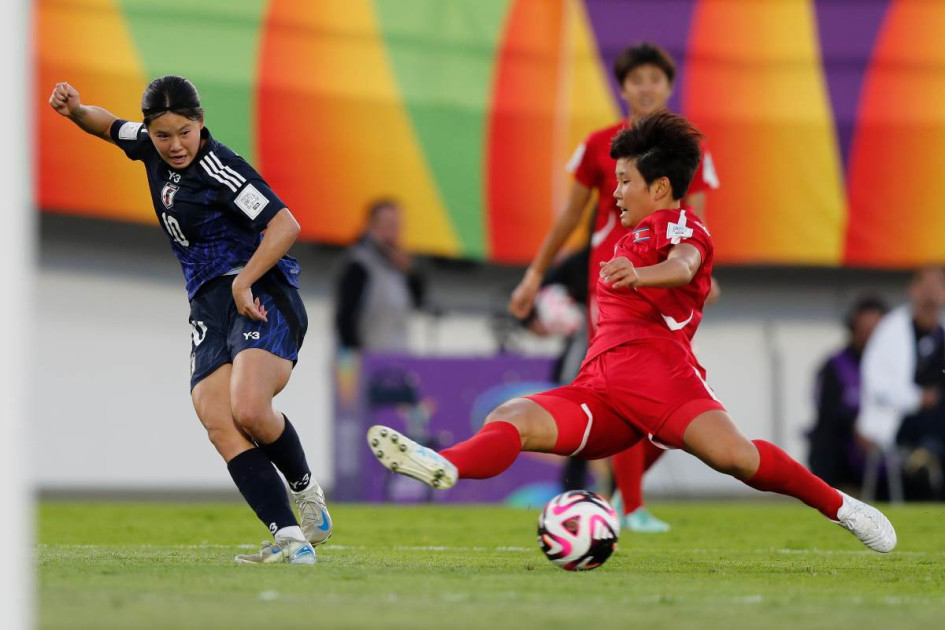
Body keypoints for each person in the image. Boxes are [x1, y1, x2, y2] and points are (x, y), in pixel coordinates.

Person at [368, 112, 896, 554]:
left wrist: (642, 275)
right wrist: (542, 290)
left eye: (624, 181)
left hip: (663, 379)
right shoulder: (624, 236)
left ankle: (842, 506)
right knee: (512, 417)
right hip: (602, 385)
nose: (615, 191)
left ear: (660, 186)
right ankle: (444, 464)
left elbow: (685, 266)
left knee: (740, 460)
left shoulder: (684, 226)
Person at [49, 77, 332, 564]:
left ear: (200, 123)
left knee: (248, 408)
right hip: (207, 302)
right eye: (163, 135)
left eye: (185, 132)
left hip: (260, 289)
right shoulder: (148, 146)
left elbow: (284, 225)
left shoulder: (222, 169)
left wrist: (244, 281)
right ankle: (290, 538)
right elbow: (109, 125)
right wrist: (76, 111)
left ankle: (306, 493)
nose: (175, 145)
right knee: (217, 418)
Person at [509, 43, 720, 532]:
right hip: (616, 280)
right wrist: (534, 275)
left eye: (656, 79)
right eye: (636, 79)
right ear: (622, 88)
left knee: (672, 392)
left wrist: (707, 274)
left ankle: (618, 496)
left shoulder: (689, 150)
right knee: (622, 387)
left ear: (669, 87)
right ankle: (632, 504)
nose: (647, 87)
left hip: (671, 282)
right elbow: (570, 216)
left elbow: (696, 215)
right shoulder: (601, 144)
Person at [859, 267, 945, 498]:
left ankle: (929, 452)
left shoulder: (941, 334)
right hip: (903, 420)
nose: (931, 295)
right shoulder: (891, 331)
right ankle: (928, 452)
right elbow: (877, 384)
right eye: (925, 288)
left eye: (936, 288)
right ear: (913, 291)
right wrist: (919, 398)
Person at [807, 296, 888, 490]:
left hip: (882, 439)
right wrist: (857, 428)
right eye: (865, 329)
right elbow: (827, 408)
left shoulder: (891, 369)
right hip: (844, 441)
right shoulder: (836, 364)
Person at [334, 199, 425, 352]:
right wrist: (357, 355)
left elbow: (418, 302)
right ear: (371, 227)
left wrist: (411, 272)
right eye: (387, 225)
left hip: (397, 353)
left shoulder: (400, 267)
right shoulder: (359, 264)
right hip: (366, 354)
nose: (393, 232)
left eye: (397, 225)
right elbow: (345, 318)